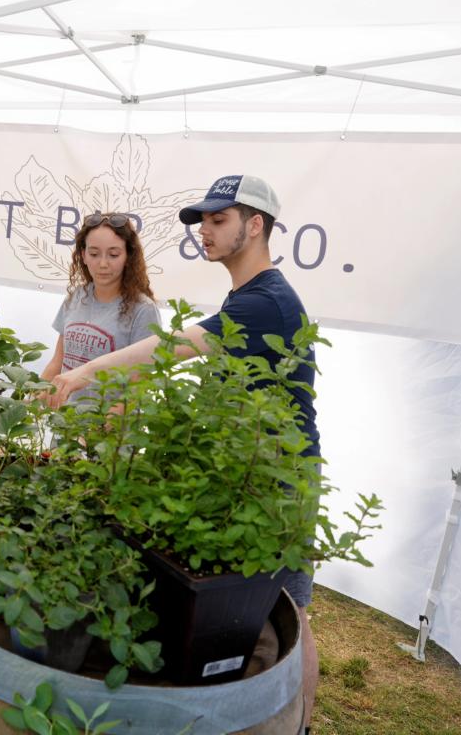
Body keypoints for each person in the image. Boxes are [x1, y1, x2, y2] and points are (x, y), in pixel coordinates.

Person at [47, 175, 321, 734]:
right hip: (252, 470)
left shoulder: (266, 300)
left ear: (256, 225)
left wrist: (84, 373)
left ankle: (299, 723)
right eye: (203, 222)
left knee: (290, 614)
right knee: (268, 610)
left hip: (281, 478)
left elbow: (177, 345)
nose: (206, 232)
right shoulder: (248, 294)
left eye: (219, 221)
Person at [41, 211, 159, 406]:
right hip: (63, 426)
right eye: (94, 254)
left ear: (128, 257)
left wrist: (106, 427)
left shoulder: (143, 310)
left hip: (106, 431)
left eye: (113, 254)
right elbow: (57, 363)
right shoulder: (76, 297)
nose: (103, 264)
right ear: (83, 255)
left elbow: (140, 383)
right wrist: (29, 402)